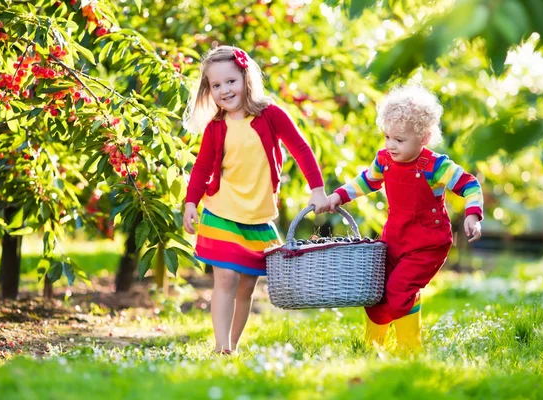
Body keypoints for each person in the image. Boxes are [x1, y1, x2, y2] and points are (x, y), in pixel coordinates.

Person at [182, 45, 328, 354]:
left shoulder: (270, 115)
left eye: (230, 81)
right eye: (216, 85)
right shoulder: (216, 127)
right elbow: (202, 168)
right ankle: (222, 348)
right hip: (221, 210)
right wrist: (191, 202)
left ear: (246, 78)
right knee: (225, 279)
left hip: (257, 216)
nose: (224, 90)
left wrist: (317, 189)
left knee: (247, 285)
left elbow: (301, 149)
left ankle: (232, 344)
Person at [328, 85, 483, 352]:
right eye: (387, 136)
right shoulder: (385, 159)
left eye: (399, 140)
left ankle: (410, 348)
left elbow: (469, 185)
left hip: (427, 243)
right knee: (376, 292)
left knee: (399, 291)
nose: (391, 145)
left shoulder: (435, 165)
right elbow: (367, 180)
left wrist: (473, 215)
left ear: (422, 137)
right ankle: (371, 347)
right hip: (395, 238)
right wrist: (339, 196)